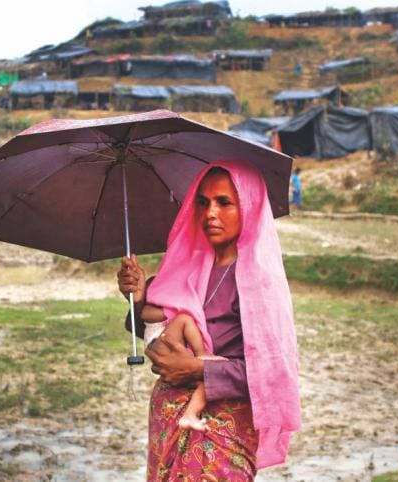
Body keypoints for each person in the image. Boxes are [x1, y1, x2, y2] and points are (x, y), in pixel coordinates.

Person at [117, 159, 300, 480]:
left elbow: (272, 371)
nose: (210, 213)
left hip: (221, 426)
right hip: (168, 417)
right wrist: (139, 298)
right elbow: (151, 330)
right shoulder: (185, 266)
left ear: (249, 207)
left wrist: (198, 369)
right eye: (202, 202)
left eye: (224, 202)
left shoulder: (260, 282)